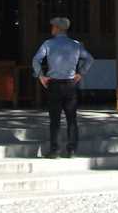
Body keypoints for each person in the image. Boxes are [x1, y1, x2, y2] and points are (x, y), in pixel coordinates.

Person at [31, 16, 93, 158]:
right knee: (71, 118)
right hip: (70, 84)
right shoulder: (76, 44)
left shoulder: (48, 44)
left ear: (58, 28)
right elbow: (89, 59)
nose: (51, 28)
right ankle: (71, 149)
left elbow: (36, 59)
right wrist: (80, 73)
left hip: (54, 84)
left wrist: (41, 75)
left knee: (55, 119)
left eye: (53, 26)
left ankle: (55, 150)